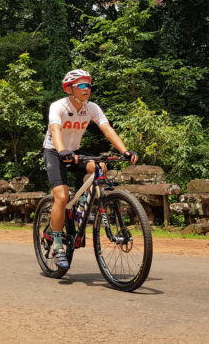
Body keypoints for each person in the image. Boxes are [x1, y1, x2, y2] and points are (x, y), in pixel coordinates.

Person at [43, 69, 138, 269]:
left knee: (100, 166)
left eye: (89, 85)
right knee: (61, 196)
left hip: (75, 152)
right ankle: (58, 245)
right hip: (55, 152)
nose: (88, 89)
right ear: (70, 89)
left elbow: (107, 128)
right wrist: (62, 151)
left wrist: (125, 150)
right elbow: (55, 130)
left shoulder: (92, 107)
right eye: (82, 85)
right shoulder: (58, 106)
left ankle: (83, 207)